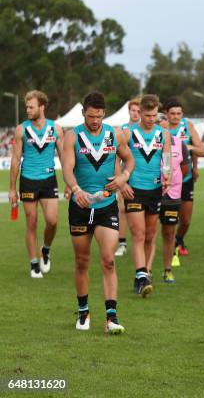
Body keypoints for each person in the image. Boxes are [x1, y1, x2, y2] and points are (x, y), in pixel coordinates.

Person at [61, 91, 134, 333]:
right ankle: (83, 312)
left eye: (99, 116)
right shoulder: (72, 137)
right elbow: (68, 169)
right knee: (82, 261)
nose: (95, 121)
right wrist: (75, 188)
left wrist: (123, 177)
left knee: (109, 260)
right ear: (83, 113)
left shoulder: (115, 134)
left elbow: (129, 160)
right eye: (91, 116)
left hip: (106, 206)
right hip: (80, 206)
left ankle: (111, 317)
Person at [9, 90, 63, 278]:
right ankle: (34, 263)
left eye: (31, 106)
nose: (28, 110)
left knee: (52, 221)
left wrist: (72, 185)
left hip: (49, 180)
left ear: (42, 106)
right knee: (31, 222)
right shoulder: (21, 129)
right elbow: (15, 160)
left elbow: (65, 158)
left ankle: (45, 250)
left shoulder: (56, 129)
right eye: (26, 106)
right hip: (28, 180)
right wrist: (12, 189)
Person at [122, 94, 171, 296]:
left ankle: (144, 273)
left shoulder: (163, 134)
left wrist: (167, 175)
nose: (151, 119)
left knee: (151, 235)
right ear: (139, 113)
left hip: (155, 190)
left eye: (153, 115)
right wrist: (121, 180)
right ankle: (141, 274)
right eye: (147, 115)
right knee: (139, 233)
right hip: (133, 189)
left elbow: (167, 160)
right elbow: (116, 158)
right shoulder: (128, 133)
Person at [165, 99, 204, 256]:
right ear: (166, 114)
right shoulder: (161, 129)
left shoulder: (187, 127)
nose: (176, 117)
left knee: (186, 220)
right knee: (168, 219)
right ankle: (169, 244)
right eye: (172, 113)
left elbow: (202, 150)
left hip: (186, 179)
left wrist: (187, 148)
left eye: (179, 113)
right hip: (166, 181)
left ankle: (179, 238)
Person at [158, 130, 190, 283]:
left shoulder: (179, 142)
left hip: (172, 194)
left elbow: (185, 167)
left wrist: (174, 180)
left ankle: (167, 270)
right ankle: (145, 272)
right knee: (147, 234)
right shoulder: (150, 141)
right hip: (151, 192)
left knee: (169, 233)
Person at [115, 97, 141, 257]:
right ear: (129, 111)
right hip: (127, 176)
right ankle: (122, 243)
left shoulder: (148, 129)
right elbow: (117, 158)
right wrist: (121, 179)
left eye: (139, 111)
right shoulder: (122, 130)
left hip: (145, 178)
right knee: (122, 209)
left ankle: (141, 241)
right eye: (133, 110)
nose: (136, 113)